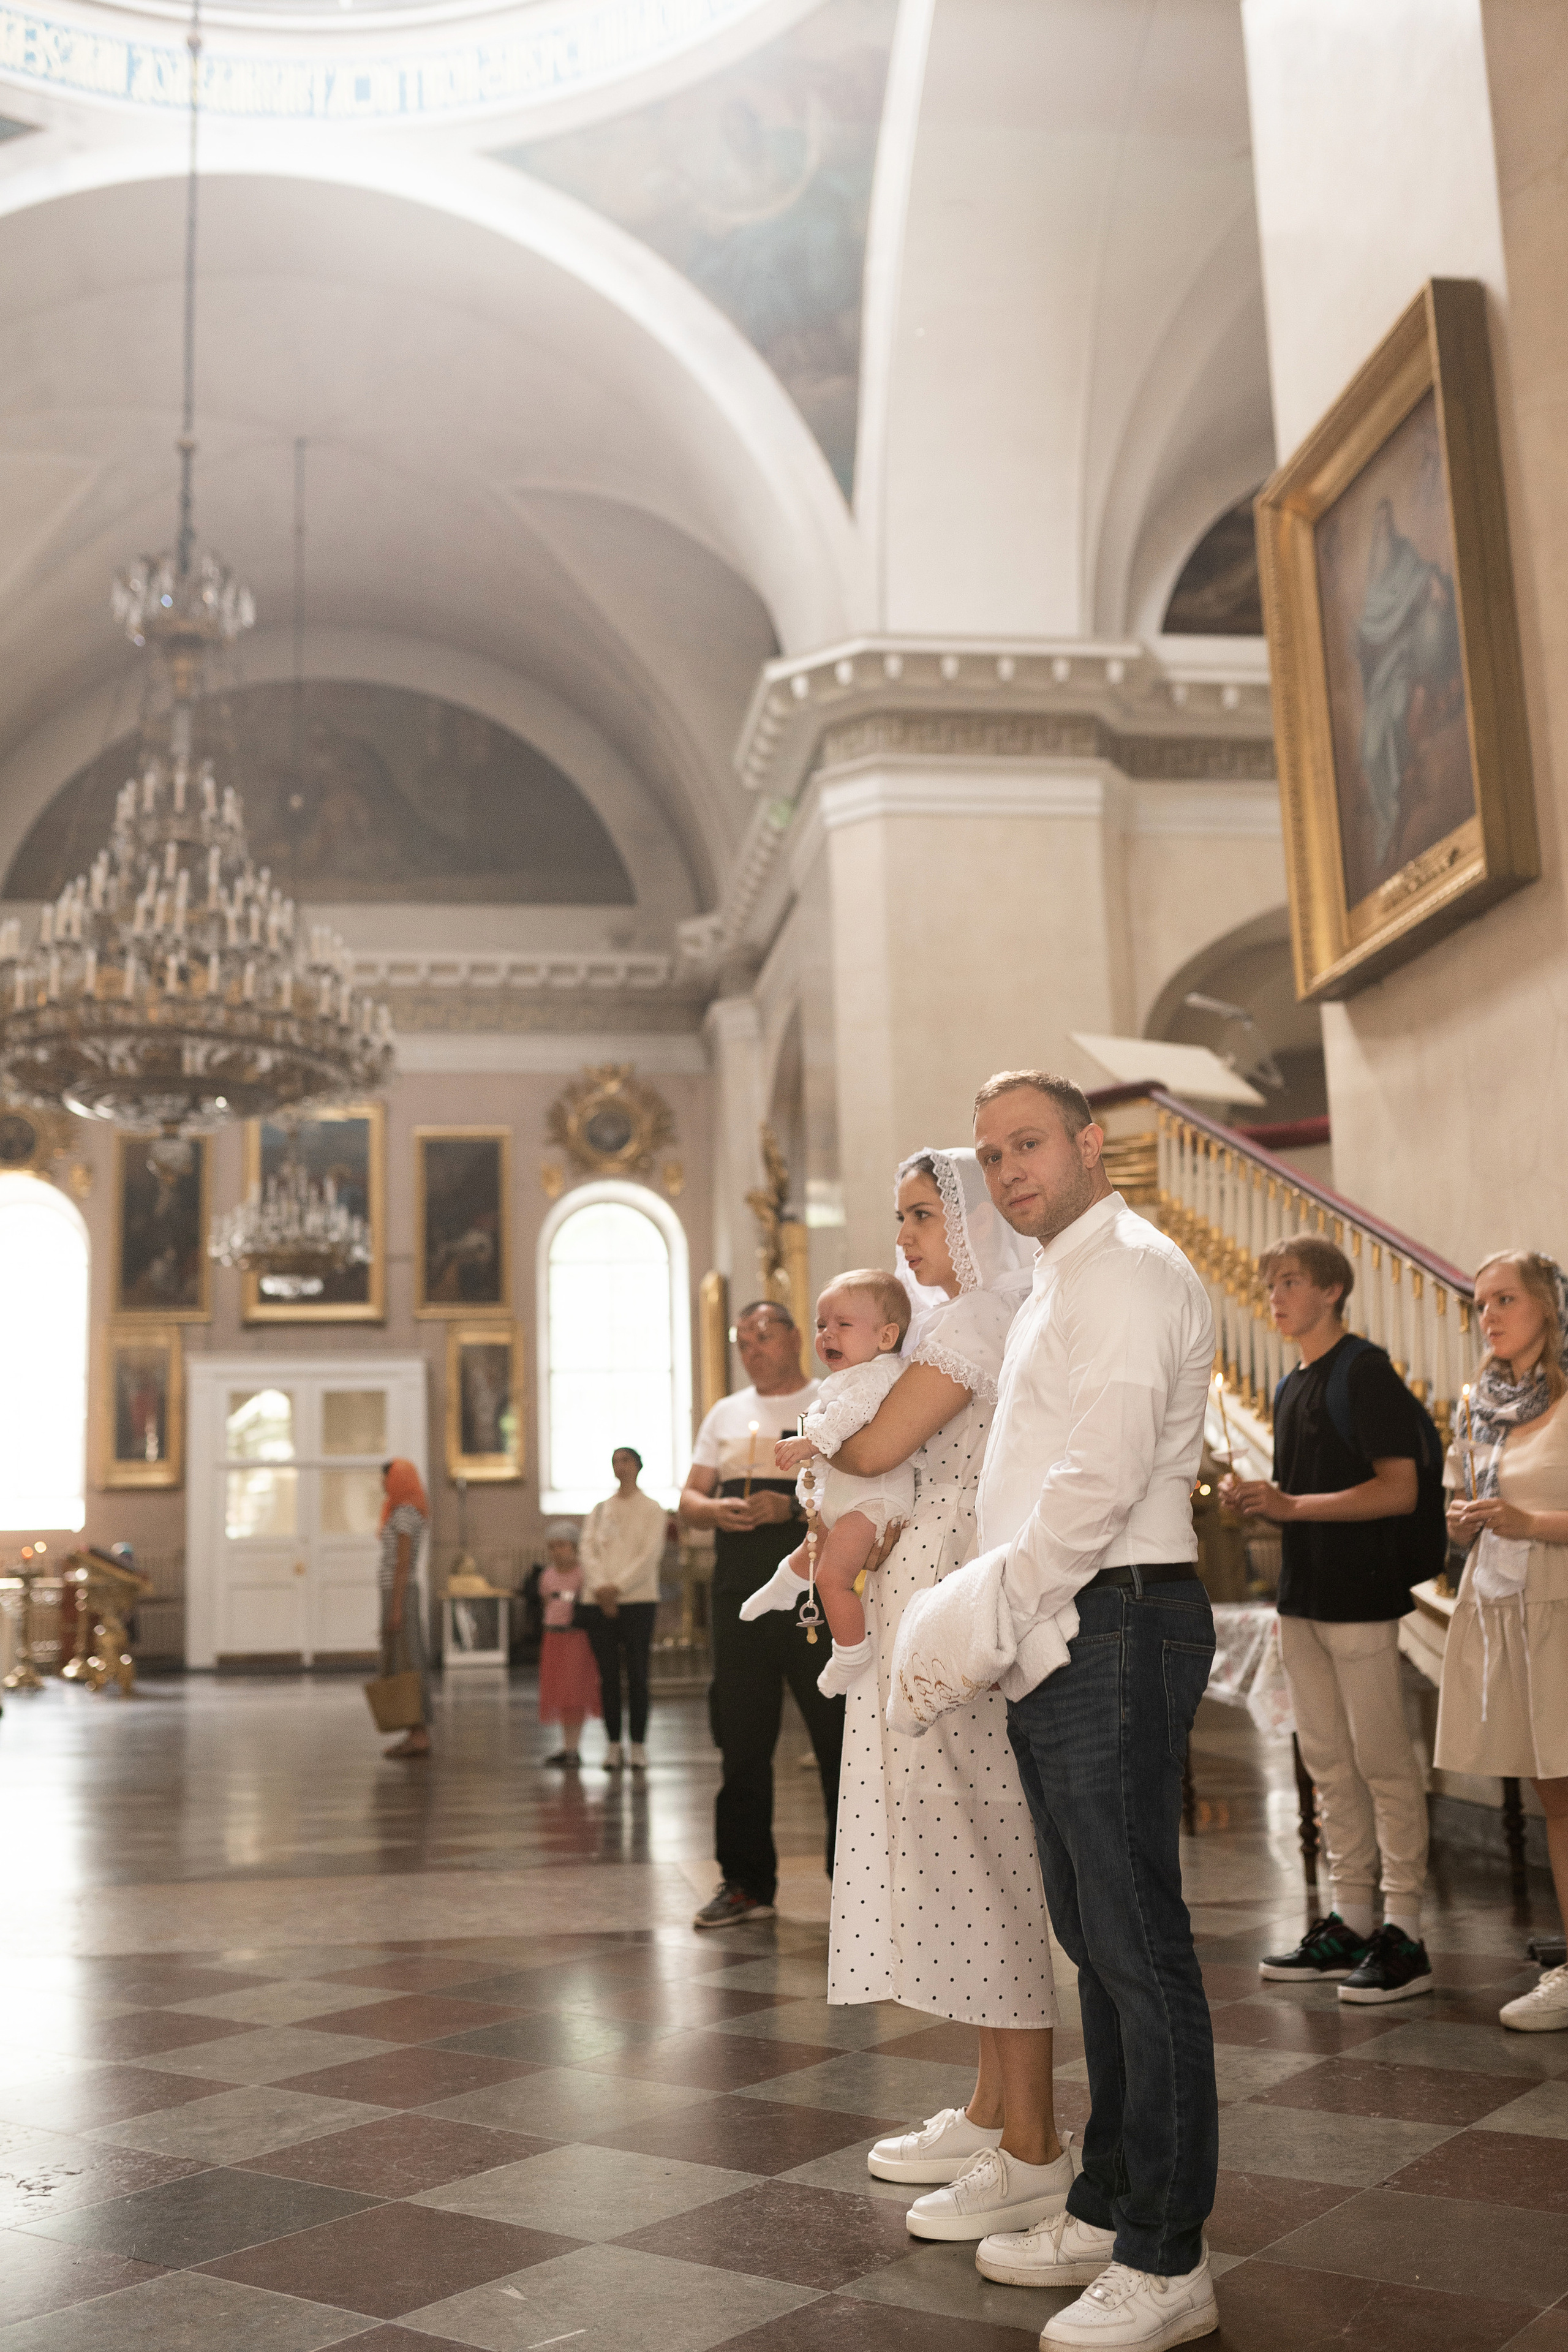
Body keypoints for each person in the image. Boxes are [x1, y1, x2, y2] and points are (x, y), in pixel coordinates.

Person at [916, 1071, 1219, 2352]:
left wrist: (994, 1609)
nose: (1007, 1169)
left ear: (1091, 1144)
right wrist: (1011, 1617)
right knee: (1093, 1937)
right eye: (988, 1154)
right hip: (1062, 1626)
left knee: (1138, 1944)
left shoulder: (1131, 1271)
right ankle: (1106, 2203)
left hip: (1113, 1616)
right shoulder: (1059, 1277)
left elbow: (1095, 1479)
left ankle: (1167, 2259)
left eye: (1027, 1142)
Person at [823, 1150, 1069, 2245]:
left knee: (981, 1857)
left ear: (970, 1222)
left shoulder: (973, 1324)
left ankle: (1032, 2148)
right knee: (963, 1854)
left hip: (955, 1593)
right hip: (936, 1582)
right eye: (900, 1217)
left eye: (924, 1215)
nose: (907, 1238)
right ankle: (990, 2112)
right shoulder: (968, 1320)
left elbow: (878, 1445)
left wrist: (802, 1444)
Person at [1222, 1233, 1438, 2005]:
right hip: (1303, 1596)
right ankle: (1351, 1917)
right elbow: (1301, 1499)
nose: (1274, 1297)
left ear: (1332, 1291)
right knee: (1326, 1763)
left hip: (1361, 1596)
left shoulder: (1365, 1371)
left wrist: (1288, 1504)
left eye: (1289, 1282)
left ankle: (1405, 1928)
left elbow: (1398, 1490)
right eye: (1269, 1283)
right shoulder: (1290, 1385)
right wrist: (1259, 1501)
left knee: (1383, 1760)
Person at [1437, 1251, 1568, 2031]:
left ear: (1549, 1306)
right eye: (1480, 1302)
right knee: (1556, 1790)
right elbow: (1469, 1495)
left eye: (1506, 1299)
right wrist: (1464, 1519)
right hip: (1515, 1609)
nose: (1488, 1314)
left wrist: (1532, 1524)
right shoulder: (1479, 1405)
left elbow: (1528, 1511)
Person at [679, 1300, 840, 1930]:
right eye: (743, 1340)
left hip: (813, 1596)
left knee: (835, 1737)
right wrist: (714, 1511)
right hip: (738, 1597)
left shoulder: (830, 1399)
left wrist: (787, 1509)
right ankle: (745, 1883)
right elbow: (689, 1498)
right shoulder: (725, 1413)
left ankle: (851, 1880)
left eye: (764, 1335)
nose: (752, 1348)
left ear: (795, 1337)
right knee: (741, 1743)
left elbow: (857, 1487)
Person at [741, 1271, 916, 1698]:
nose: (827, 1334)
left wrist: (809, 1441)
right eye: (822, 1325)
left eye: (842, 1325)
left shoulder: (880, 1373)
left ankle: (850, 1651)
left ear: (886, 1335)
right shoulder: (849, 1376)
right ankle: (785, 1587)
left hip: (876, 1498)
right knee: (812, 1545)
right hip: (851, 1493)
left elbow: (851, 1415)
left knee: (832, 1576)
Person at [578, 1447, 668, 1771]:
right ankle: (613, 1744)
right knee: (608, 1677)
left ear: (639, 1466)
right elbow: (587, 1549)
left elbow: (650, 1554)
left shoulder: (653, 1509)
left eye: (626, 1460)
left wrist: (617, 1587)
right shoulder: (601, 1509)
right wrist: (602, 1586)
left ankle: (639, 1745)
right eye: (615, 1461)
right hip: (599, 1600)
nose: (621, 1466)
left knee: (637, 1674)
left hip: (638, 1600)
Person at [378, 1458, 432, 1760]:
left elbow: (402, 1565)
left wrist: (396, 1609)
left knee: (409, 1662)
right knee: (400, 1661)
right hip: (395, 1594)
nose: (383, 1486)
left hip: (401, 1594)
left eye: (387, 1479)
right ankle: (412, 1731)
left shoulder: (406, 1514)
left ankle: (419, 1733)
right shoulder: (400, 1512)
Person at [537, 1519, 600, 1770]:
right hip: (554, 1639)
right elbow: (546, 1603)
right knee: (560, 1692)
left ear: (575, 1546)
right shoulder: (547, 1576)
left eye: (562, 1545)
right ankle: (567, 1746)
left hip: (576, 1638)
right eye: (552, 1547)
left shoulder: (584, 1574)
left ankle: (574, 1746)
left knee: (575, 1691)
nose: (556, 1552)